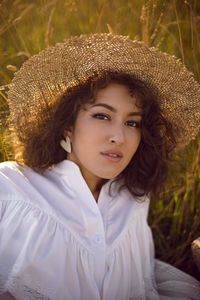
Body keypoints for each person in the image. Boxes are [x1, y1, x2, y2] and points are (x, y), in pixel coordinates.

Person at [0, 33, 200, 300]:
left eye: (133, 123)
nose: (119, 137)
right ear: (67, 124)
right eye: (102, 116)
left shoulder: (134, 201)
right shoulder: (12, 186)